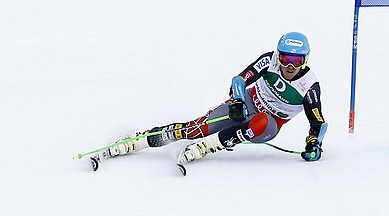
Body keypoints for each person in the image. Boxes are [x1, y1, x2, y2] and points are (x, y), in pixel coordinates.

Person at [101, 31, 326, 167]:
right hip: (247, 104)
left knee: (262, 122)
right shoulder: (269, 60)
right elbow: (239, 80)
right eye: (286, 58)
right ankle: (140, 140)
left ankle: (208, 147)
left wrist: (314, 144)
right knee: (195, 128)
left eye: (296, 61)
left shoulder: (309, 86)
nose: (289, 66)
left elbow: (318, 123)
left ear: (305, 61)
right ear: (279, 55)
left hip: (268, 124)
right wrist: (237, 100)